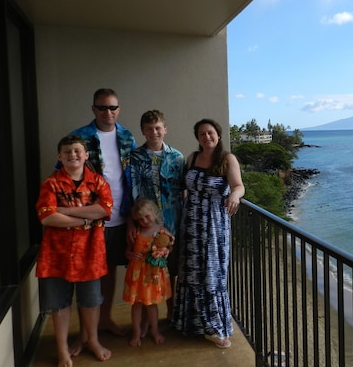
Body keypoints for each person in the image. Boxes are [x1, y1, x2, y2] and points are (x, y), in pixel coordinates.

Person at [36, 135, 113, 367]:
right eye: (67, 151)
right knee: (59, 304)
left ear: (86, 155)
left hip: (91, 253)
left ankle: (92, 340)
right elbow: (47, 216)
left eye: (77, 151)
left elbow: (104, 209)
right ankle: (62, 349)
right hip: (56, 255)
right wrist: (84, 218)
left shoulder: (98, 183)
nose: (73, 155)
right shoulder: (51, 184)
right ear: (59, 156)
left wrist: (66, 211)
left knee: (91, 301)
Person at [68, 88, 136, 340]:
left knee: (109, 271)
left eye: (113, 107)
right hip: (91, 219)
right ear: (94, 109)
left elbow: (134, 177)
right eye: (103, 107)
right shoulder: (80, 137)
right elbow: (63, 174)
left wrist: (133, 216)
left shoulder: (127, 136)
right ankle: (87, 332)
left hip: (121, 215)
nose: (108, 112)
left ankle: (105, 320)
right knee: (89, 275)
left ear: (118, 109)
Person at [171, 118, 245, 349]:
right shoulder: (192, 158)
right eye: (202, 134)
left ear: (218, 135)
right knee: (191, 272)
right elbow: (184, 187)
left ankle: (215, 326)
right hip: (191, 223)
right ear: (197, 137)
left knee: (212, 273)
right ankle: (190, 323)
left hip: (214, 224)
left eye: (210, 133)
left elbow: (239, 185)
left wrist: (234, 196)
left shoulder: (227, 159)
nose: (207, 137)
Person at [128, 110, 184, 320]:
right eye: (149, 128)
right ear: (143, 131)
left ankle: (172, 315)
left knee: (171, 271)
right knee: (145, 274)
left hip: (172, 224)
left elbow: (183, 190)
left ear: (165, 129)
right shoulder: (134, 158)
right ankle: (145, 323)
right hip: (146, 227)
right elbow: (130, 191)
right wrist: (131, 223)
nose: (154, 132)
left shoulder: (177, 157)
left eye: (158, 127)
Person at [123, 198, 174, 347]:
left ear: (154, 212)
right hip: (138, 274)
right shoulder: (136, 232)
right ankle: (136, 332)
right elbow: (127, 250)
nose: (144, 221)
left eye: (147, 216)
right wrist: (130, 255)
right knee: (137, 305)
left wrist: (166, 252)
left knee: (152, 305)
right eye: (140, 219)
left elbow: (169, 246)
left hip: (153, 275)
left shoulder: (161, 231)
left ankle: (154, 330)